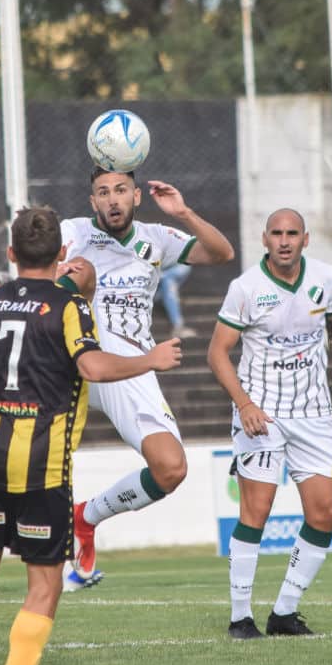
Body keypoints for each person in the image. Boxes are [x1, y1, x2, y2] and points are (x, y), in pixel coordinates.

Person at [0, 207, 182, 665]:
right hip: (41, 467)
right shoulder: (69, 307)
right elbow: (91, 366)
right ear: (63, 253)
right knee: (43, 587)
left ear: (9, 254)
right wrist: (149, 359)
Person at [58, 168, 234, 589]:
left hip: (133, 366)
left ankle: (86, 517)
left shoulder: (158, 237)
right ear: (92, 200)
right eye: (103, 192)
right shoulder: (73, 231)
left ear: (137, 196)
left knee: (171, 468)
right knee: (22, 463)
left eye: (121, 190)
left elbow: (221, 253)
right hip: (70, 360)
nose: (112, 199)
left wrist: (185, 212)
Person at [207, 208, 332, 639]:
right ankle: (240, 618)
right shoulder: (246, 288)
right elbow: (217, 353)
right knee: (257, 510)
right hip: (262, 412)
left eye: (293, 233)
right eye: (277, 233)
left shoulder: (325, 278)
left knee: (326, 512)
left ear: (306, 239)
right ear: (265, 239)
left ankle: (284, 613)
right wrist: (244, 405)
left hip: (313, 412)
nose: (285, 240)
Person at [155, 262, 196, 338]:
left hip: (161, 285)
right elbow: (150, 263)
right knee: (168, 282)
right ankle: (178, 326)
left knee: (184, 267)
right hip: (144, 285)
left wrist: (162, 275)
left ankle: (178, 327)